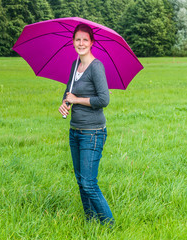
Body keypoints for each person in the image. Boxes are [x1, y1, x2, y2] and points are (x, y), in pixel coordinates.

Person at [58, 23, 114, 226]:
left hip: (93, 132)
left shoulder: (96, 66)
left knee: (89, 184)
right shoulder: (75, 65)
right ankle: (90, 223)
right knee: (81, 181)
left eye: (85, 40)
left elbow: (103, 100)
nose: (81, 43)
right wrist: (65, 104)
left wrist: (76, 100)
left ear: (91, 42)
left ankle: (110, 226)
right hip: (75, 131)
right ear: (73, 42)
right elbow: (68, 93)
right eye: (77, 39)